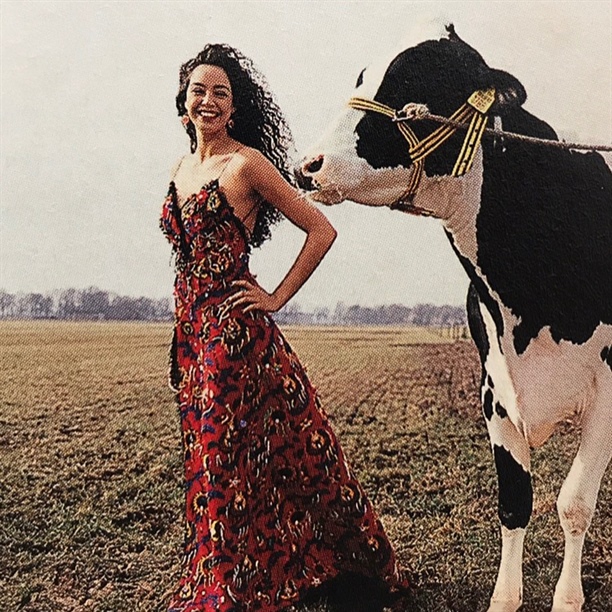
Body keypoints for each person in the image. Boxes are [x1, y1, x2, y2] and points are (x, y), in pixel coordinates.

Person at [159, 43, 407, 612]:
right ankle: (245, 573)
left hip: (234, 337)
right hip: (191, 336)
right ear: (184, 100)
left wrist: (274, 297)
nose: (208, 100)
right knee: (223, 461)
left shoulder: (246, 165)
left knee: (233, 462)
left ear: (234, 106)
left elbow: (321, 229)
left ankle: (230, 591)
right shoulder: (180, 168)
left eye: (221, 92)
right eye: (199, 90)